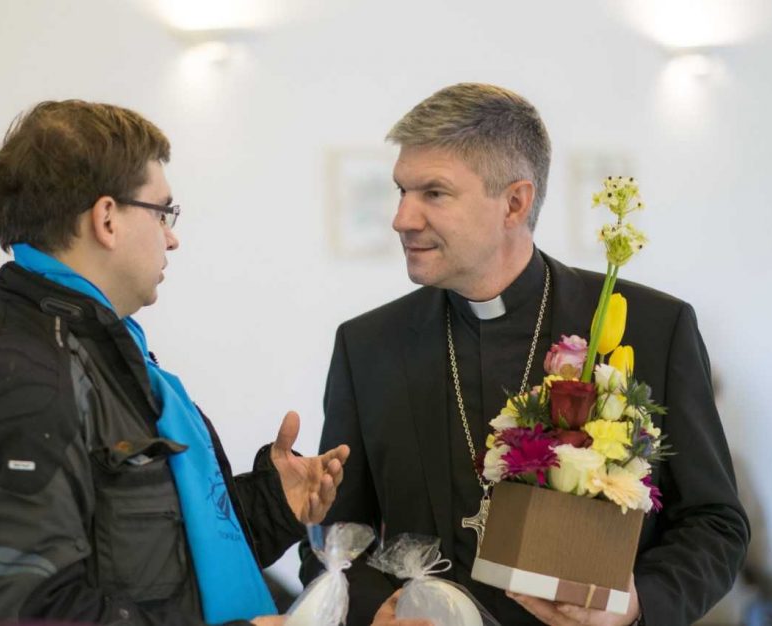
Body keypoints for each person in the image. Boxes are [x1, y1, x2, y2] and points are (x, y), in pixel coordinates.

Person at [300, 83, 749, 626]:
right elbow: (333, 536)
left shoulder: (653, 327)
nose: (402, 218)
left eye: (433, 194)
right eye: (401, 191)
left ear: (515, 201)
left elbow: (714, 522)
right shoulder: (368, 344)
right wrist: (378, 610)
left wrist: (636, 605)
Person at [0, 100, 349, 626]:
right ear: (107, 218)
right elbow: (27, 612)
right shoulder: (15, 376)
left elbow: (148, 558)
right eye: (163, 212)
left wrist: (272, 503)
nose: (172, 237)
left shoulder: (92, 348)